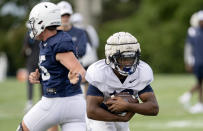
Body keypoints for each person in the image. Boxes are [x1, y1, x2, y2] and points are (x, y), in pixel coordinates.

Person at [16, 2, 86, 131]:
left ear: (43, 23)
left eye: (34, 22)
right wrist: (41, 77)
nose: (32, 27)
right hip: (74, 104)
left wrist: (77, 77)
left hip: (56, 100)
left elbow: (79, 70)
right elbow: (58, 71)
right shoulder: (48, 41)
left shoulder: (58, 42)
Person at [85, 32, 159, 131]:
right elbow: (91, 111)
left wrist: (128, 106)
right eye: (122, 59)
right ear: (110, 57)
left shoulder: (141, 72)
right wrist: (121, 118)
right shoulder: (99, 73)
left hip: (122, 116)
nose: (128, 63)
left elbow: (154, 108)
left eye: (131, 58)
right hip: (101, 117)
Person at [179, 10, 203, 114]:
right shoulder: (193, 31)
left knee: (201, 82)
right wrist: (188, 61)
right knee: (200, 82)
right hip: (198, 61)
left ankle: (189, 96)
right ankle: (199, 103)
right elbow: (189, 48)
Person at [22, 30, 42, 112]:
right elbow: (25, 48)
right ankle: (30, 102)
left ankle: (41, 101)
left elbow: (24, 50)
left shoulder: (41, 32)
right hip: (33, 61)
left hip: (39, 60)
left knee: (42, 81)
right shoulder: (29, 34)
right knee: (30, 81)